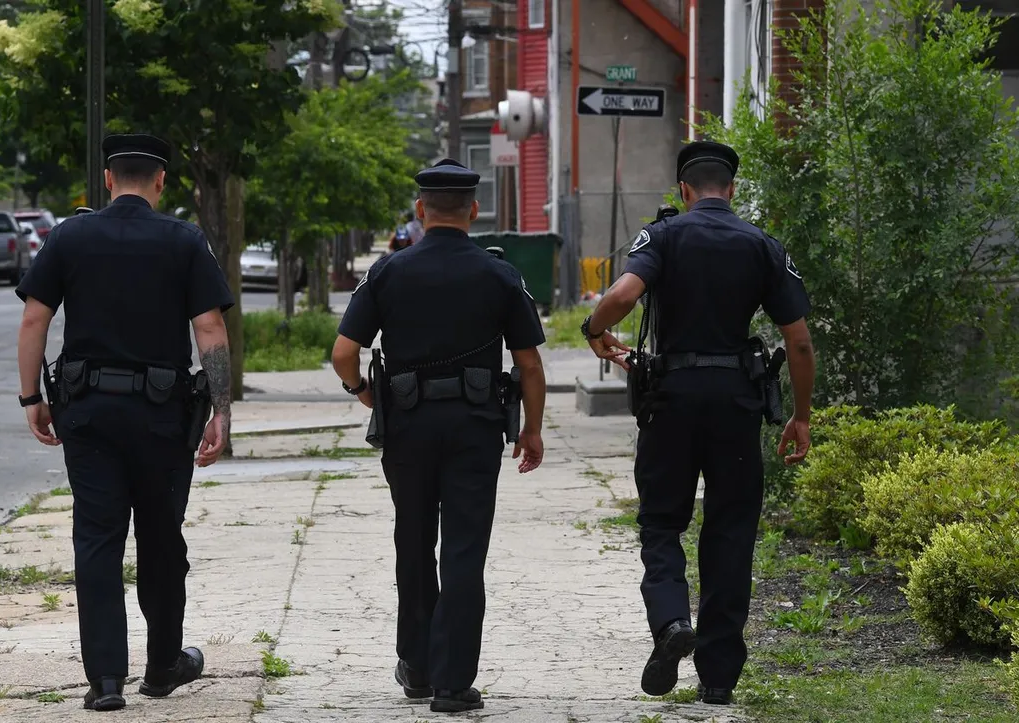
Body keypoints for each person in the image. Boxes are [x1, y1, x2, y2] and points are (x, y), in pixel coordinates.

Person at [580, 141, 815, 705]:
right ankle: (718, 678)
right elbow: (800, 341)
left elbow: (623, 294)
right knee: (730, 530)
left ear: (684, 191)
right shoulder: (763, 245)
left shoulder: (662, 237)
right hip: (736, 401)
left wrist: (593, 330)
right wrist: (801, 416)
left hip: (671, 400)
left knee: (662, 523)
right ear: (730, 189)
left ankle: (670, 624)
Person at [15, 133, 235, 712]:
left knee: (96, 538)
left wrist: (29, 396)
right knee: (161, 539)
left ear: (108, 180)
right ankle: (163, 665)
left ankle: (106, 680)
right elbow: (209, 329)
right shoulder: (184, 240)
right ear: (160, 181)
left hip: (86, 414)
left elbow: (35, 317)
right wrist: (222, 410)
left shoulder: (68, 236)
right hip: (162, 418)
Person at [331, 158, 548, 714]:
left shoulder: (388, 271)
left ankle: (418, 667)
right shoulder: (500, 274)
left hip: (407, 427)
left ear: (421, 211)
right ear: (474, 210)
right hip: (475, 428)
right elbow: (529, 364)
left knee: (414, 541)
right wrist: (532, 430)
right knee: (464, 550)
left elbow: (343, 353)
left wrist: (363, 392)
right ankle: (453, 685)